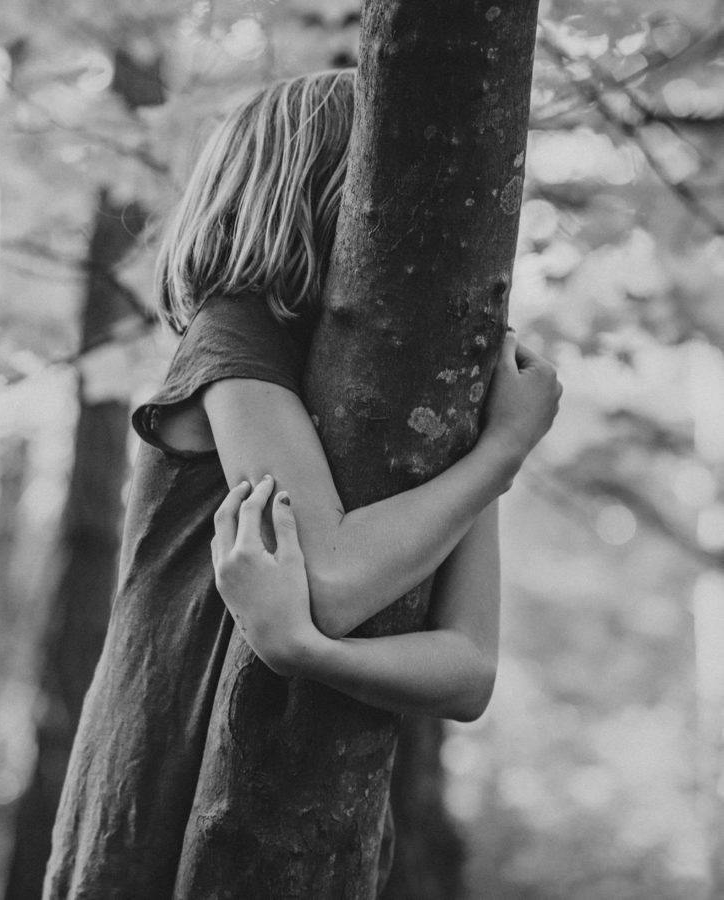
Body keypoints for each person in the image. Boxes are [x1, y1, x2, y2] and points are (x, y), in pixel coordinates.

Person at [43, 68, 561, 897]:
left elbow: (467, 672)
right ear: (327, 191)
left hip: (319, 832)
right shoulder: (229, 337)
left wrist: (307, 653)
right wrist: (501, 454)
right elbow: (331, 578)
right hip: (164, 792)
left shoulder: (437, 408)